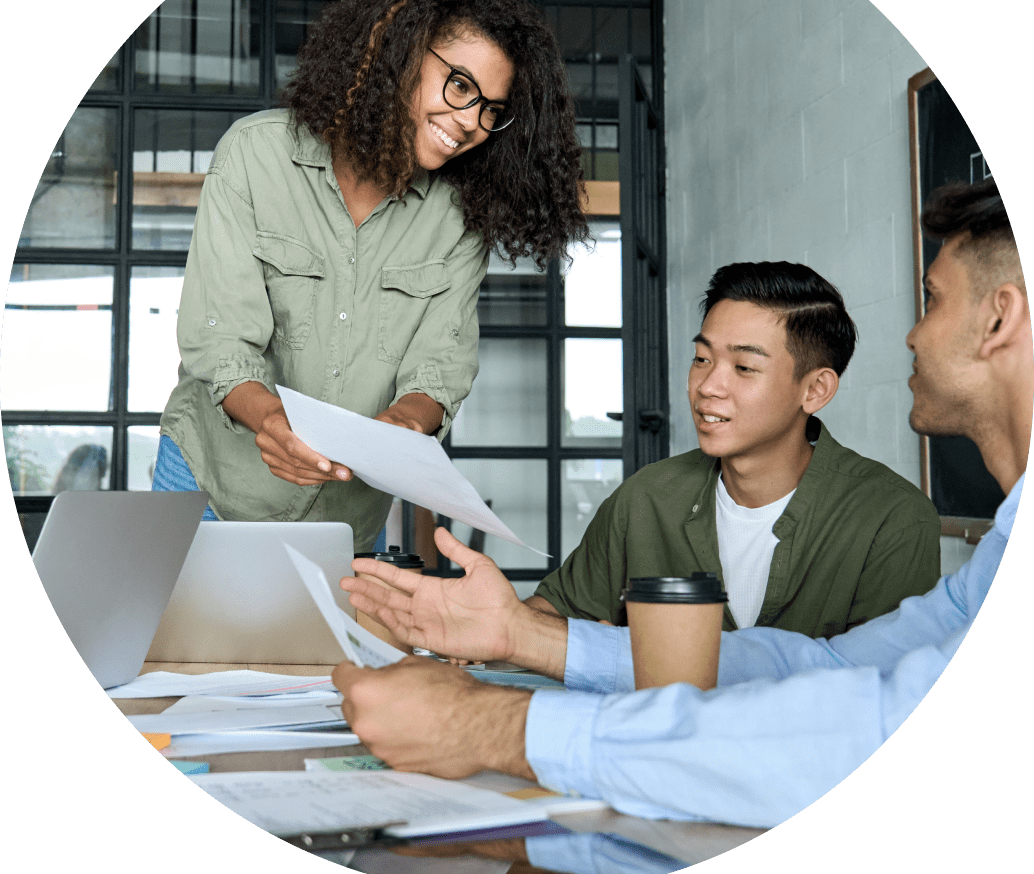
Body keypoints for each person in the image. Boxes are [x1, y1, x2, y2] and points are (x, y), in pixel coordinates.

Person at [334, 177, 1027, 828]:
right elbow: (831, 669)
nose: (913, 334)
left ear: (1000, 319)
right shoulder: (996, 553)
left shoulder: (891, 514)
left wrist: (485, 725)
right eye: (702, 359)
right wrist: (520, 636)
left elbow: (865, 730)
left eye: (933, 300)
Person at [153, 0, 587, 551]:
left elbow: (440, 365)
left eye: (492, 110)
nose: (469, 123)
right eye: (460, 85)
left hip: (347, 518)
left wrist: (405, 424)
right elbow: (218, 336)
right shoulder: (256, 157)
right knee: (185, 647)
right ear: (397, 51)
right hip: (211, 486)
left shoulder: (460, 217)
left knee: (330, 651)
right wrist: (272, 422)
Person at [530, 262, 940, 638]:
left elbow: (883, 694)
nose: (707, 387)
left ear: (815, 390)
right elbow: (551, 612)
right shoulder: (645, 498)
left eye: (744, 367)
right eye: (702, 358)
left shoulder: (892, 519)